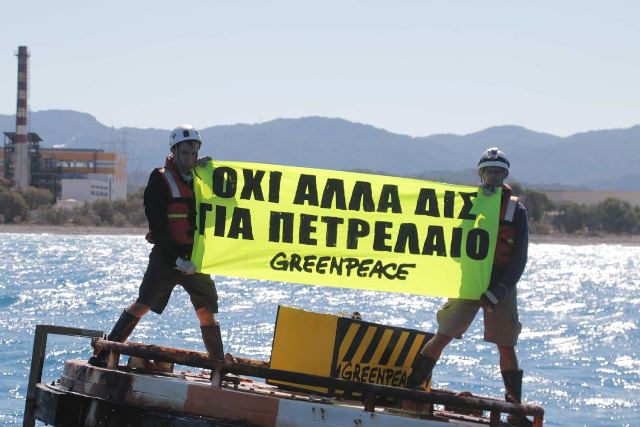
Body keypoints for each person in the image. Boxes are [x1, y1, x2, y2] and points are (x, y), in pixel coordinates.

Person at [406, 147, 531, 426]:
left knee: (506, 346)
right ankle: (412, 388)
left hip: (500, 285)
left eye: (498, 172)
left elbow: (519, 257)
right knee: (444, 334)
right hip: (469, 283)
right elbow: (451, 243)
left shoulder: (516, 211)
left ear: (505, 175)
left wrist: (500, 290)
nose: (493, 177)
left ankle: (515, 409)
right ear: (480, 174)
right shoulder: (466, 204)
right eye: (488, 171)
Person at [89, 124, 226, 366]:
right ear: (174, 151)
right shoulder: (159, 179)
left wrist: (213, 173)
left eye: (194, 153)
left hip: (195, 258)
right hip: (166, 256)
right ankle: (104, 353)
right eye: (185, 153)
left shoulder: (201, 177)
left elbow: (225, 200)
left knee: (207, 312)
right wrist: (176, 260)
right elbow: (159, 228)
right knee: (143, 304)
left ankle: (218, 365)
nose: (190, 158)